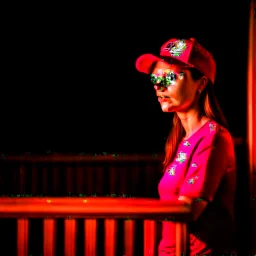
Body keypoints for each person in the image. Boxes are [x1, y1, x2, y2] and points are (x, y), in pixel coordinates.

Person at [135, 38, 237, 255]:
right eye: (155, 77)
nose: (158, 86)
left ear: (200, 84)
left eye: (170, 77)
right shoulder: (182, 138)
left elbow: (188, 210)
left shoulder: (213, 136)